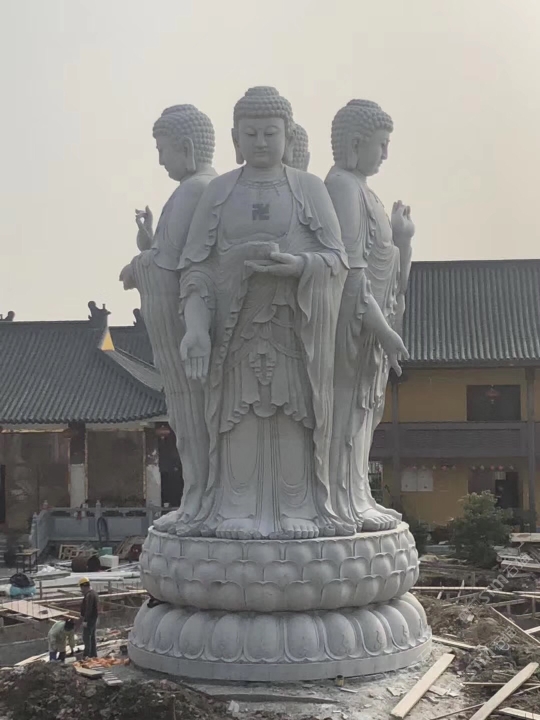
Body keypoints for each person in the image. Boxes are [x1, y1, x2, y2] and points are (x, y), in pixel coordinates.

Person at [178, 86, 348, 539]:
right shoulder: (219, 191)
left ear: (288, 135)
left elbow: (338, 261)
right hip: (235, 333)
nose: (259, 142)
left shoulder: (309, 188)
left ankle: (298, 506)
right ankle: (235, 505)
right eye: (249, 133)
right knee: (239, 417)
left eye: (270, 133)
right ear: (235, 138)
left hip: (294, 329)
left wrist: (301, 266)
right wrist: (196, 327)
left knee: (295, 415)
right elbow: (195, 269)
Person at [120, 104, 217, 536]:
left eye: (162, 149)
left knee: (191, 415)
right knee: (192, 417)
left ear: (187, 147)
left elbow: (170, 266)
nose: (160, 160)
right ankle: (202, 495)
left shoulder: (194, 190)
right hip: (193, 321)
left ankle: (200, 498)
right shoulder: (204, 189)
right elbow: (171, 253)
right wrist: (149, 241)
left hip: (187, 327)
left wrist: (136, 265)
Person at [325, 99, 414, 533]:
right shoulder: (342, 187)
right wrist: (382, 329)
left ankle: (358, 494)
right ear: (355, 142)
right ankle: (340, 500)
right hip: (352, 324)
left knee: (365, 412)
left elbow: (393, 278)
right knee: (344, 412)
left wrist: (402, 240)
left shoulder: (365, 190)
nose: (385, 154)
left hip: (372, 328)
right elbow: (349, 272)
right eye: (381, 144)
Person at [79, 578, 99, 659]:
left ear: (84, 586)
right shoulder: (94, 593)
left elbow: (88, 609)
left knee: (87, 637)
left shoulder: (89, 595)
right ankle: (93, 654)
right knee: (92, 637)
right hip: (94, 618)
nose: (81, 590)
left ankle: (87, 655)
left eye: (81, 587)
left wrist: (85, 620)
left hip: (90, 619)